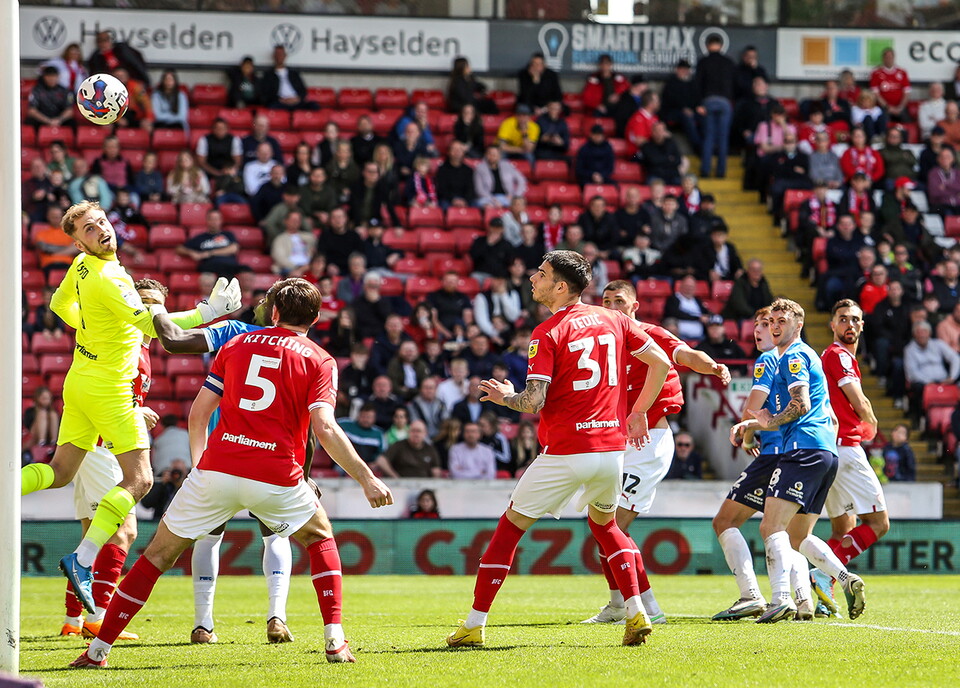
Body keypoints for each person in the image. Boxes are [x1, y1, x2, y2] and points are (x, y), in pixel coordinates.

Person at [69, 278, 393, 668]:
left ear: (274, 312)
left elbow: (198, 413)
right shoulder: (319, 359)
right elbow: (323, 429)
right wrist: (366, 477)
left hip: (217, 469)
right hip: (276, 474)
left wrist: (199, 467)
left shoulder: (235, 343)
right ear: (317, 317)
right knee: (319, 538)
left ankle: (98, 651)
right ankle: (334, 642)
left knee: (156, 556)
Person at [22, 202, 240, 617]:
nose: (100, 230)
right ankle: (82, 560)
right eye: (89, 229)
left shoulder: (82, 266)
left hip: (80, 380)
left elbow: (58, 305)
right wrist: (208, 313)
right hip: (109, 390)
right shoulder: (111, 277)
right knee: (139, 480)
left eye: (101, 222)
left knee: (59, 471)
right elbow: (152, 327)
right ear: (78, 240)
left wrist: (92, 327)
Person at [445, 250, 671, 649]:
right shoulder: (616, 319)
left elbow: (533, 402)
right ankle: (636, 612)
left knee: (509, 528)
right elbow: (659, 362)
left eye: (542, 273)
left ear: (561, 286)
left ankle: (473, 625)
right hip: (610, 451)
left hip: (567, 450)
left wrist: (504, 398)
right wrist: (638, 413)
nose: (533, 278)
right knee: (606, 527)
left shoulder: (548, 331)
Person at [581, 280, 730, 625]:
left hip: (647, 444)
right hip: (614, 442)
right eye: (606, 301)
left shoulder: (648, 334)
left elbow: (687, 355)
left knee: (613, 525)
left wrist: (713, 366)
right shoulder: (600, 343)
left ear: (634, 306)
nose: (612, 305)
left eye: (619, 300)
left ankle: (648, 608)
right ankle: (619, 604)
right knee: (601, 524)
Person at [733, 299, 865, 623]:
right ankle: (845, 579)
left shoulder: (794, 354)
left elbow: (801, 404)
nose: (775, 326)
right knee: (797, 537)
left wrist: (767, 422)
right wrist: (758, 424)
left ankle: (781, 600)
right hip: (824, 453)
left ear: (798, 325)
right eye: (772, 320)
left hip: (802, 449)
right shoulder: (801, 356)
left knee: (770, 525)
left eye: (782, 320)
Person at [714, 307, 814, 621]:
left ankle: (751, 595)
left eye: (767, 324)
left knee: (725, 522)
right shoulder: (793, 358)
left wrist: (747, 436)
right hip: (799, 452)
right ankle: (803, 599)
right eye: (757, 325)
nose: (760, 331)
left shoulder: (769, 359)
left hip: (773, 453)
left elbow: (751, 409)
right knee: (787, 532)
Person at [814, 300, 889, 611]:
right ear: (832, 325)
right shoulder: (838, 355)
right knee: (879, 523)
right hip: (845, 448)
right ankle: (821, 573)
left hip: (829, 451)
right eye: (842, 319)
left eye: (855, 320)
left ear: (862, 326)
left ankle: (822, 593)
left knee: (842, 528)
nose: (849, 324)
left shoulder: (830, 357)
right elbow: (858, 399)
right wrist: (871, 422)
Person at [696, 33, 737, 178]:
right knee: (723, 138)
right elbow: (735, 84)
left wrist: (698, 104)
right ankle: (721, 171)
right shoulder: (729, 62)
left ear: (708, 46)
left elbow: (697, 84)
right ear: (720, 45)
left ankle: (705, 170)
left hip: (708, 101)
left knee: (709, 137)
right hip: (725, 103)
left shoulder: (703, 62)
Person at [903, 320, 960, 423]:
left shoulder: (938, 344)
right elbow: (911, 373)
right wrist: (929, 382)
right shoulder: (909, 349)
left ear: (929, 333)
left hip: (944, 380)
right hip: (923, 383)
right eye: (919, 332)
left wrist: (952, 377)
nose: (922, 335)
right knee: (917, 388)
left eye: (924, 331)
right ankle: (919, 420)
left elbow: (955, 358)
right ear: (914, 334)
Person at [177, 209, 246, 279]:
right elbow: (179, 248)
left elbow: (234, 248)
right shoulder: (200, 238)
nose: (214, 222)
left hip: (230, 267)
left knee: (246, 272)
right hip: (210, 268)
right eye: (211, 219)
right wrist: (191, 252)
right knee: (208, 279)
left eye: (216, 219)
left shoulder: (228, 235)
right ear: (207, 220)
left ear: (221, 220)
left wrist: (209, 253)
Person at [660, 58, 702, 150]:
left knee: (705, 117)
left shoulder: (692, 83)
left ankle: (710, 146)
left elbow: (697, 99)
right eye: (682, 69)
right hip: (673, 113)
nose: (685, 71)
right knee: (687, 117)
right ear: (677, 70)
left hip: (691, 111)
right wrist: (683, 108)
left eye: (686, 69)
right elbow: (669, 101)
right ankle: (698, 147)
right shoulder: (671, 83)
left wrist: (695, 108)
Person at [261, 45, 317, 111]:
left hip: (296, 102)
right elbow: (266, 94)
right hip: (280, 103)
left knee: (314, 106)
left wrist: (297, 99)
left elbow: (303, 91)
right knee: (271, 107)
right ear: (274, 56)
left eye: (281, 54)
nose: (279, 56)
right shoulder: (268, 75)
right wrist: (280, 99)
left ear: (285, 56)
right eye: (277, 54)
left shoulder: (294, 74)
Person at [870, 47, 911, 123]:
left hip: (900, 107)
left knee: (907, 122)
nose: (889, 59)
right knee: (883, 121)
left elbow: (907, 93)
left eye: (890, 57)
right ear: (883, 58)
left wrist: (900, 107)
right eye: (886, 57)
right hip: (884, 107)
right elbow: (875, 94)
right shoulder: (876, 73)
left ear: (894, 58)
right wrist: (887, 107)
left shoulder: (902, 72)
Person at [271, 210, 316, 277]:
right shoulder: (279, 239)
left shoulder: (310, 237)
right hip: (289, 269)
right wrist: (298, 267)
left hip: (308, 267)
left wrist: (306, 267)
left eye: (297, 220)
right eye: (293, 220)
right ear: (285, 221)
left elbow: (316, 253)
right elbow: (280, 258)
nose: (295, 222)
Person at [516, 52, 563, 116]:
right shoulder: (523, 75)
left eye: (539, 64)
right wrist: (535, 82)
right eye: (534, 64)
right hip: (530, 105)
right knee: (522, 108)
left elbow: (557, 95)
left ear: (544, 65)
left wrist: (547, 107)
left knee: (560, 108)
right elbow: (525, 96)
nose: (536, 67)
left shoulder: (551, 75)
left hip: (547, 105)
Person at [639, 121, 684, 186]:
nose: (659, 133)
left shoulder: (671, 143)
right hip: (656, 175)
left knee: (685, 184)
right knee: (654, 184)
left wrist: (661, 159)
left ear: (664, 132)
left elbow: (678, 160)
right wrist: (669, 159)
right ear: (652, 132)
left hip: (672, 175)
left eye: (661, 130)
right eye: (656, 130)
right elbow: (653, 161)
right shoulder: (646, 146)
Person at [436, 140, 475, 208]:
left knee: (476, 206)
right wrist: (453, 200)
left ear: (463, 153)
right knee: (444, 205)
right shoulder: (442, 169)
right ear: (449, 152)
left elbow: (470, 189)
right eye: (454, 149)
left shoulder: (468, 170)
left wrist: (464, 200)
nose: (457, 152)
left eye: (459, 150)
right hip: (447, 200)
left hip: (465, 200)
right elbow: (441, 189)